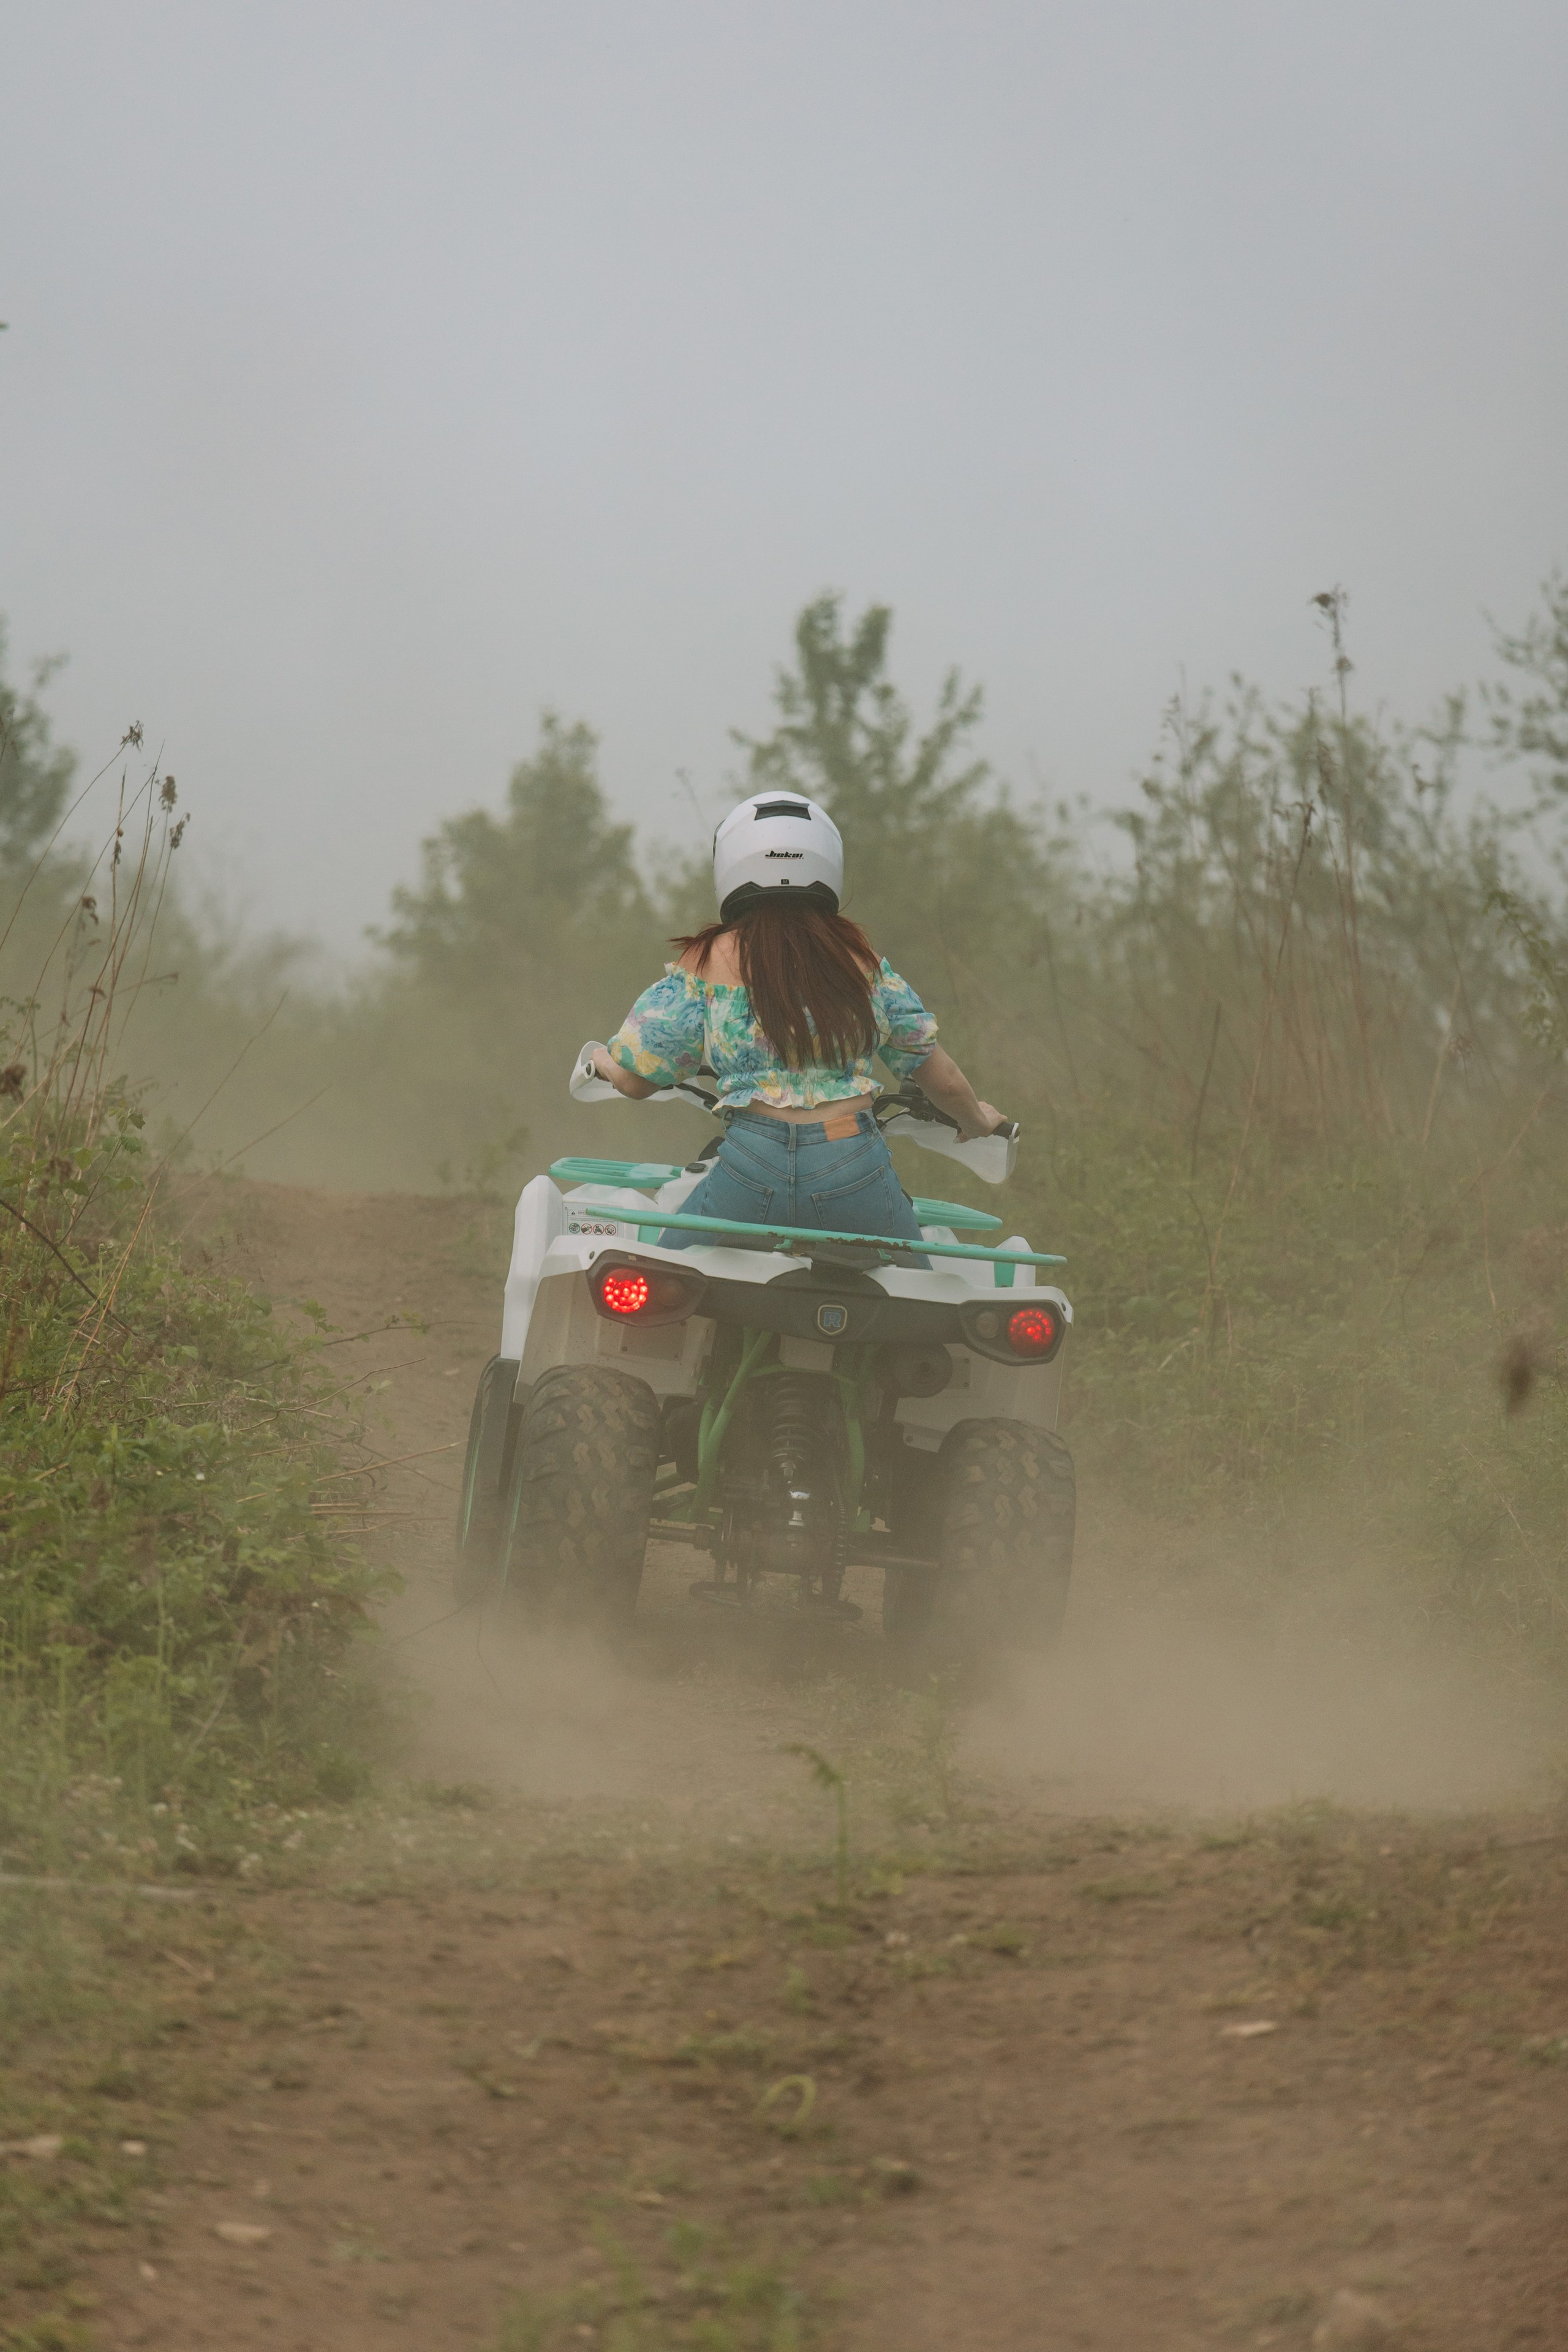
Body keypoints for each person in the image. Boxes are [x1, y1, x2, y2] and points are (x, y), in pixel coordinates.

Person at [590, 792, 1006, 1253]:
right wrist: (979, 1121)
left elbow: (635, 1081)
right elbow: (942, 1082)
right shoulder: (859, 963)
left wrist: (601, 1061)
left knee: (668, 1278)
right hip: (852, 1158)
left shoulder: (706, 962)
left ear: (728, 865)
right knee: (918, 1302)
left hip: (750, 1164)